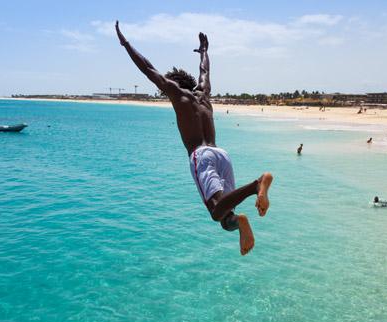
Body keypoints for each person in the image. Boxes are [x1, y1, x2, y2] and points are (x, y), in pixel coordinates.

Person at [115, 21, 272, 255]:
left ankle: (255, 185)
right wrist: (204, 51)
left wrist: (126, 44)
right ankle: (241, 220)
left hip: (202, 156)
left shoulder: (178, 95)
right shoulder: (204, 95)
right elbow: (205, 72)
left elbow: (148, 69)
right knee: (226, 218)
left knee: (216, 210)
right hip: (221, 154)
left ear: (173, 84)